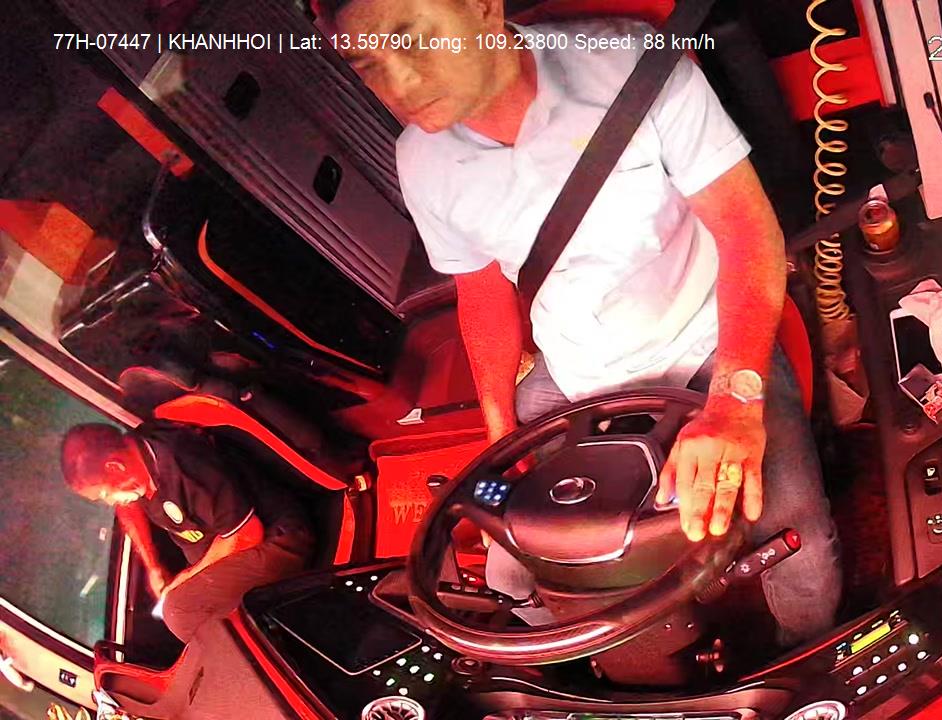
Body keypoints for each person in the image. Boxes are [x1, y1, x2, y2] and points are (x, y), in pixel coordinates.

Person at [316, 0, 841, 645]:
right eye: (367, 62)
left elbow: (748, 233)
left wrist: (735, 404)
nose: (398, 81)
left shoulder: (636, 65)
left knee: (799, 544)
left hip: (707, 341)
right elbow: (481, 295)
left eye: (413, 38)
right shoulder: (420, 160)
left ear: (483, 8)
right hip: (572, 371)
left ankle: (806, 658)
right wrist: (498, 432)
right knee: (517, 564)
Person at [60, 423, 313, 642]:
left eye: (106, 494)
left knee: (180, 614)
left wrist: (188, 578)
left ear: (115, 466)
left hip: (277, 537)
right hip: (225, 553)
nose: (111, 502)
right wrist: (153, 566)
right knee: (183, 605)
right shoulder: (135, 459)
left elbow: (246, 534)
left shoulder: (182, 465)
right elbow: (128, 509)